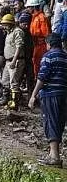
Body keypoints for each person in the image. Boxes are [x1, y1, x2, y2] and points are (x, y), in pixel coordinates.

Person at [29, 33, 67, 167]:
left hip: (51, 94)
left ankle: (55, 157)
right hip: (63, 94)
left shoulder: (48, 56)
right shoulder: (65, 56)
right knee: (58, 123)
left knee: (50, 122)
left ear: (48, 44)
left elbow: (42, 77)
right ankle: (52, 154)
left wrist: (33, 95)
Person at [0, 14, 25, 110]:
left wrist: (14, 61)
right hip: (8, 61)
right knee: (4, 81)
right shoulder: (8, 33)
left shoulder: (17, 31)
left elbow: (19, 46)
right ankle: (8, 100)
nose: (4, 26)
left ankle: (14, 104)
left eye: (5, 24)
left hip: (15, 60)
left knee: (14, 82)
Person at [26, 0, 51, 77]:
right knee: (35, 63)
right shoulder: (34, 17)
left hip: (41, 45)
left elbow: (46, 33)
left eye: (29, 7)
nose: (27, 9)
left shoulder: (41, 18)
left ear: (33, 7)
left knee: (39, 63)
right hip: (35, 44)